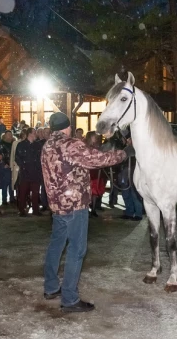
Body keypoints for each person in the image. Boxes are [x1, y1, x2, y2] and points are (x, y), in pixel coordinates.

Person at [42, 112, 127, 313]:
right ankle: (70, 299)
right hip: (75, 204)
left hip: (57, 205)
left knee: (56, 245)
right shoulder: (70, 144)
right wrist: (124, 153)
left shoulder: (47, 146)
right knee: (76, 250)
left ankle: (51, 287)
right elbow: (97, 159)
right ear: (68, 126)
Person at [15, 127, 43, 217]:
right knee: (23, 192)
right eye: (34, 133)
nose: (36, 134)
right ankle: (22, 210)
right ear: (30, 134)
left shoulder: (38, 145)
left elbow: (41, 158)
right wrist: (23, 167)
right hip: (25, 173)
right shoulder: (21, 145)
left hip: (35, 172)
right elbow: (17, 158)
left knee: (35, 192)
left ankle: (35, 210)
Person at [118, 136, 144, 221]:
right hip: (125, 173)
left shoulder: (138, 148)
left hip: (134, 173)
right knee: (126, 193)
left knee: (135, 194)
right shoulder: (124, 148)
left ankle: (138, 213)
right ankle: (129, 212)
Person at [84, 131, 108, 218]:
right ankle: (86, 209)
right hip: (89, 172)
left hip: (97, 171)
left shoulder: (98, 147)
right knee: (88, 191)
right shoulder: (85, 147)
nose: (96, 138)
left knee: (95, 190)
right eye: (94, 137)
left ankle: (93, 209)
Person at [0, 130, 16, 206]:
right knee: (5, 183)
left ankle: (12, 198)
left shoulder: (14, 144)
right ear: (4, 136)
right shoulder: (1, 144)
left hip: (13, 166)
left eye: (10, 135)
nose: (9, 136)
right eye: (8, 135)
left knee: (12, 183)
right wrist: (4, 163)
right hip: (5, 166)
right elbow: (0, 154)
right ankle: (4, 199)